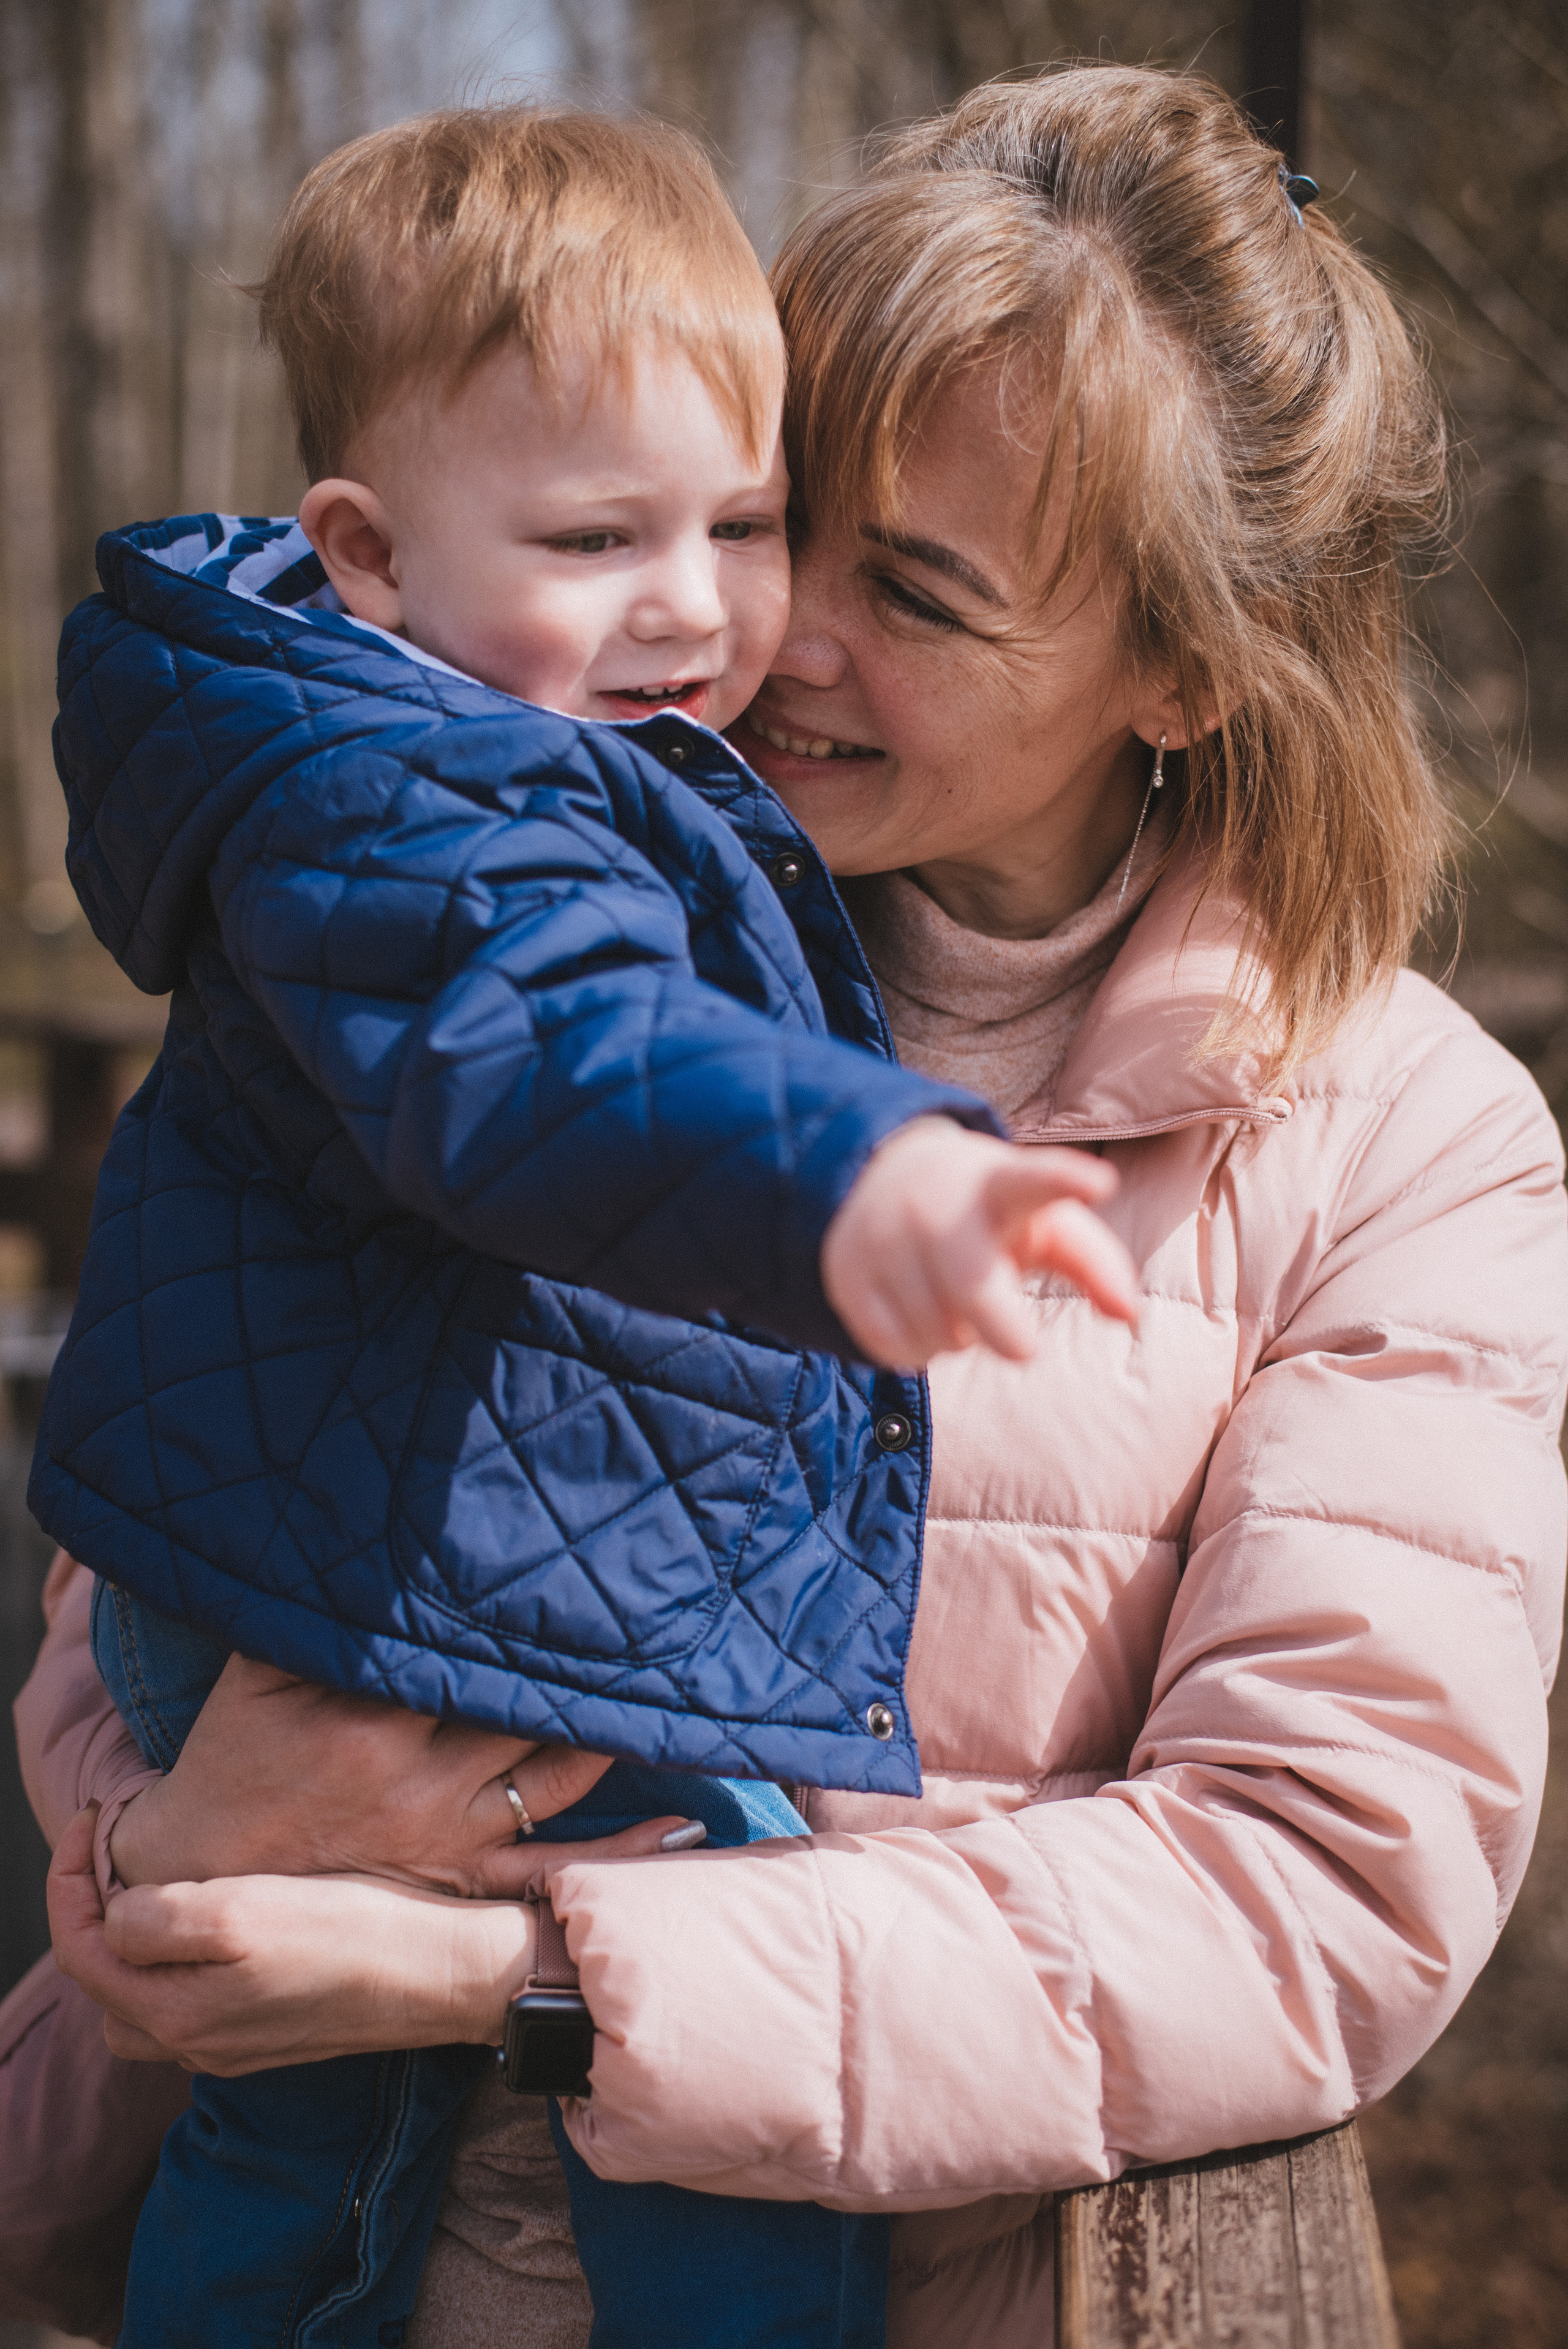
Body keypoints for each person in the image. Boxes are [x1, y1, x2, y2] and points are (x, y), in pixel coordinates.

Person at [28, 55, 1568, 2349]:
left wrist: (509, 1978)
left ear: (1179, 670)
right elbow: (171, 1487)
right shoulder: (517, 910)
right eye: (773, 513)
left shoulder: (1393, 1143)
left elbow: (1309, 1894)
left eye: (915, 592)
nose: (760, 633)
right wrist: (181, 1837)